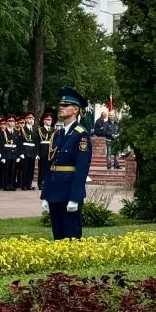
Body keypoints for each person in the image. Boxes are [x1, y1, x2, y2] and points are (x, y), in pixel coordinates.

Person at [40, 87, 93, 240]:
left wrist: (75, 197)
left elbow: (82, 169)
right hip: (55, 189)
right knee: (58, 234)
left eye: (65, 105)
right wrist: (45, 194)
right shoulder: (58, 134)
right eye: (60, 105)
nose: (60, 108)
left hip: (69, 190)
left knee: (71, 234)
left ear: (75, 109)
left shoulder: (81, 135)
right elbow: (50, 165)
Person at [37, 113, 54, 191]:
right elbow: (37, 142)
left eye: (50, 120)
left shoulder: (53, 130)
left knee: (49, 168)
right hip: (43, 151)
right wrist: (37, 153)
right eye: (47, 120)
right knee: (42, 168)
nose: (49, 121)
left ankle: (48, 182)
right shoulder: (40, 130)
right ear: (44, 121)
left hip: (51, 152)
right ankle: (41, 183)